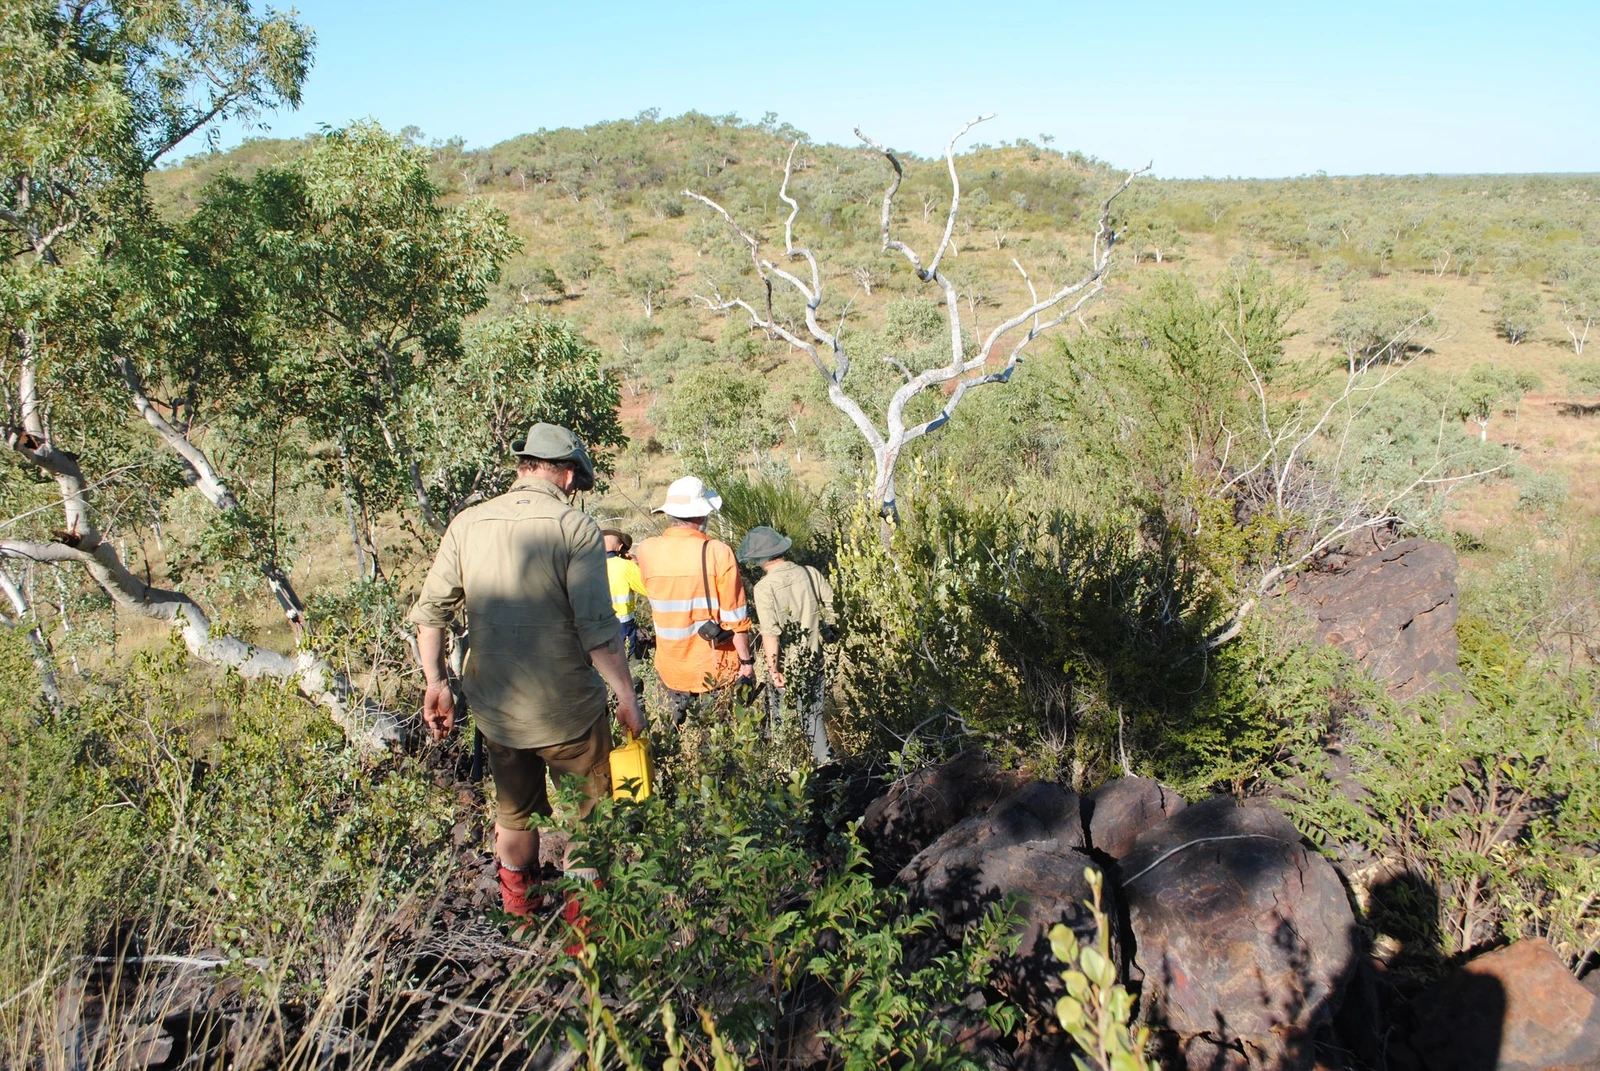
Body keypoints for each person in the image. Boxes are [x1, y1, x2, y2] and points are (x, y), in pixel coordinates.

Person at [408, 423, 644, 918]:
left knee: (513, 816)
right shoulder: (572, 528)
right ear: (566, 475)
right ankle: (588, 937)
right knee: (589, 822)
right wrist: (625, 694)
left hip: (498, 714)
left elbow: (430, 614)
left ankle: (520, 917)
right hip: (569, 715)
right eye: (577, 482)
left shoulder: (467, 523)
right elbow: (598, 630)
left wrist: (437, 685)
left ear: (524, 466)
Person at [632, 476, 755, 725]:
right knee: (716, 745)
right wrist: (746, 662)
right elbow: (736, 618)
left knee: (669, 736)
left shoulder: (646, 549)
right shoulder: (718, 552)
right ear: (703, 515)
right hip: (714, 666)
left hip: (669, 666)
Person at [736, 526, 836, 764]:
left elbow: (771, 635)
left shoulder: (764, 588)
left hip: (786, 667)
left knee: (781, 723)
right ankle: (827, 767)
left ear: (759, 558)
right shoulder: (810, 573)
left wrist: (773, 671)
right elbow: (833, 608)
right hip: (814, 659)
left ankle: (790, 772)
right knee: (813, 717)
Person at [602, 528, 649, 660]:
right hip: (621, 624)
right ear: (621, 547)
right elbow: (649, 588)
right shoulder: (626, 566)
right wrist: (638, 564)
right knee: (626, 658)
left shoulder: (585, 564)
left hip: (592, 622)